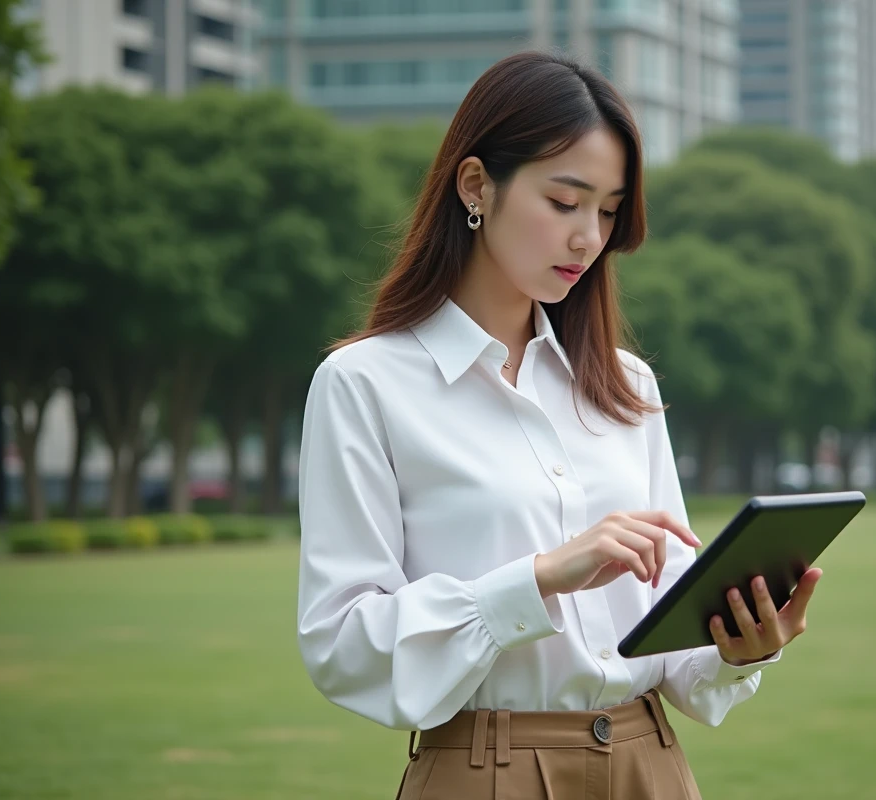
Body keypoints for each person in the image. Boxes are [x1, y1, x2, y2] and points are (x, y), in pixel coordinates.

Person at [296, 50, 822, 800]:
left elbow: (674, 653)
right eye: (565, 202)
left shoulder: (624, 385)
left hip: (652, 765)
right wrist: (542, 579)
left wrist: (739, 648)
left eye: (608, 211)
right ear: (476, 186)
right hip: (484, 771)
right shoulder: (365, 385)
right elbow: (344, 646)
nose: (588, 238)